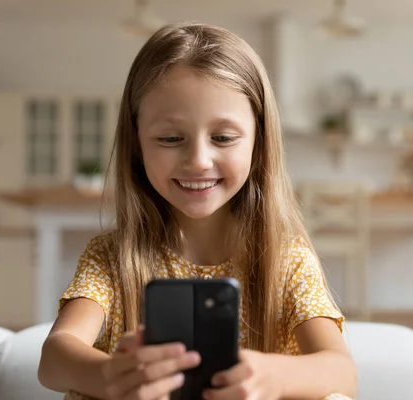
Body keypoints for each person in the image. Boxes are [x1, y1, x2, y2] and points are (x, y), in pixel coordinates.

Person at [38, 22, 357, 400]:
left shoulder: (287, 260)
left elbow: (342, 372)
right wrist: (109, 375)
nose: (199, 161)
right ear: (137, 144)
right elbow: (53, 359)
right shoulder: (110, 257)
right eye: (171, 139)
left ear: (259, 143)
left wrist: (273, 376)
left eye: (222, 138)